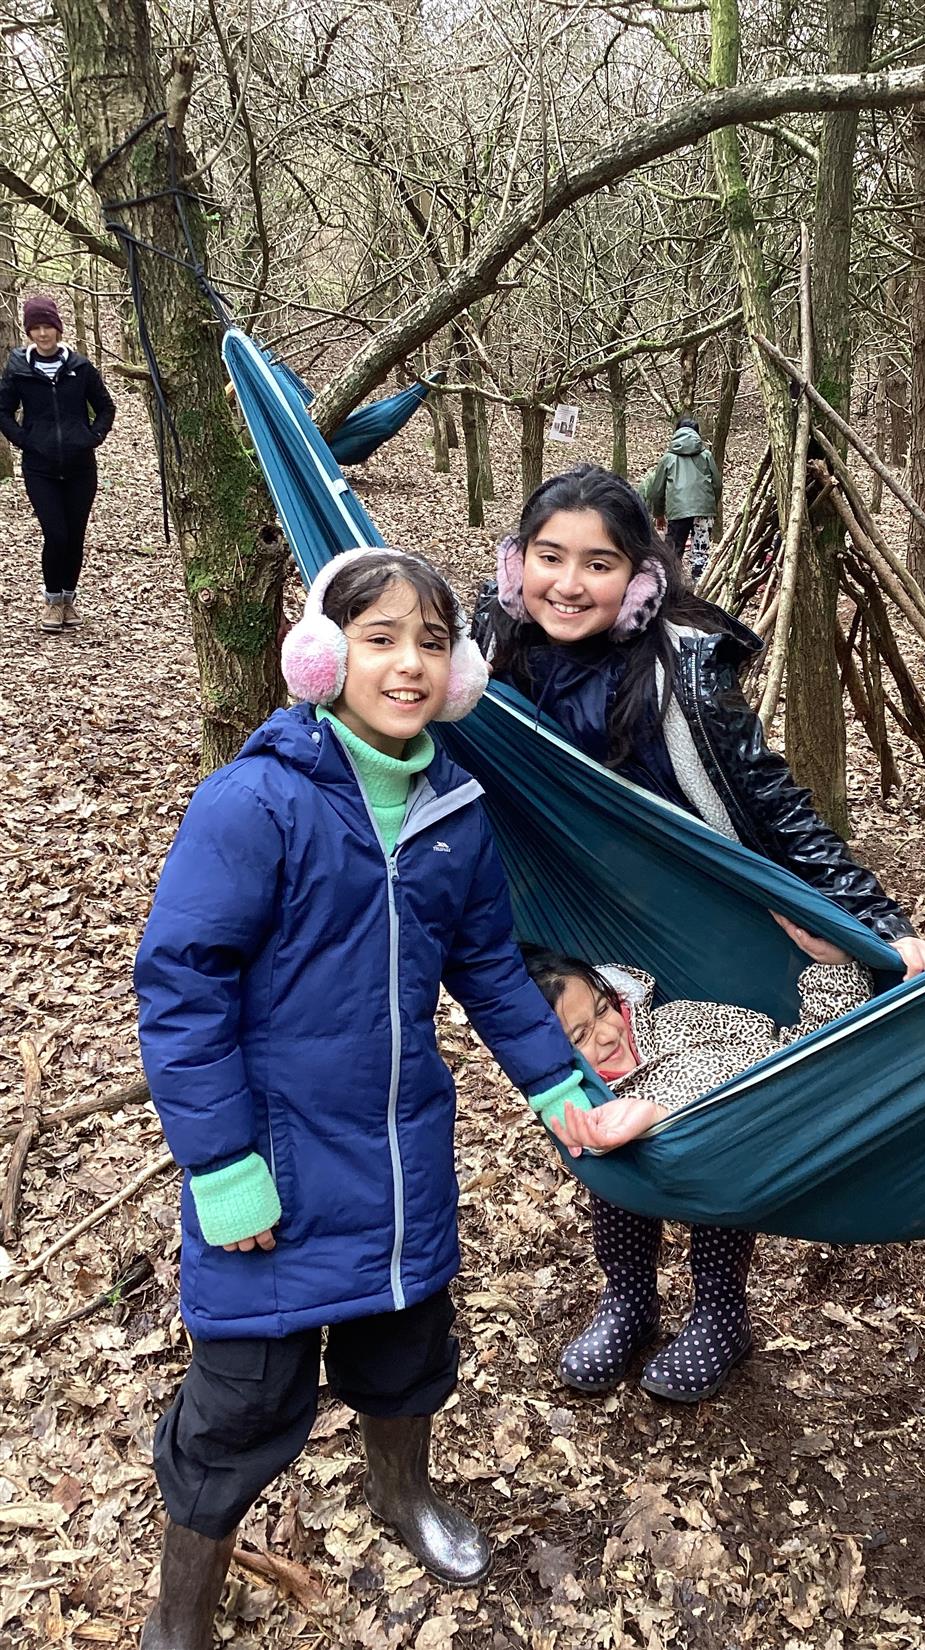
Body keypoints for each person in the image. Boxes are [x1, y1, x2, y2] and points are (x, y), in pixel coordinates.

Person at [133, 548, 590, 1645]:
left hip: (399, 1158)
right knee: (242, 1405)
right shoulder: (255, 802)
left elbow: (486, 972)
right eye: (380, 638)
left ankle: (401, 1494)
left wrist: (563, 1087)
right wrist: (221, 1168)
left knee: (406, 1352)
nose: (409, 663)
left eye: (433, 642)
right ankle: (179, 1611)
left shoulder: (456, 813)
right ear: (322, 656)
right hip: (272, 1170)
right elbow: (180, 989)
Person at [474, 464, 925, 1404]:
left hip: (702, 927)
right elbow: (386, 662)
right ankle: (626, 1299)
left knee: (713, 1112)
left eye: (598, 563)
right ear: (515, 563)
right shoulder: (480, 661)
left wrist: (881, 925)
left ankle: (720, 1309)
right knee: (599, 1108)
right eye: (548, 557)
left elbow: (779, 809)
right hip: (573, 932)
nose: (568, 584)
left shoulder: (682, 666)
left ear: (639, 576)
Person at [524, 946, 872, 1152]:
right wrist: (658, 1118)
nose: (606, 1035)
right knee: (622, 1237)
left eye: (603, 1009)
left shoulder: (679, 1019)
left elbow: (799, 1051)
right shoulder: (599, 1105)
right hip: (710, 1170)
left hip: (801, 1124)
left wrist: (835, 967)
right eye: (580, 1036)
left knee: (721, 1257)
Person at [0, 295, 114, 633]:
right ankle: (51, 603)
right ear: (29, 332)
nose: (42, 333)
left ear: (58, 328)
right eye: (35, 327)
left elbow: (106, 407)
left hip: (81, 465)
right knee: (56, 533)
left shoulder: (80, 368)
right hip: (40, 467)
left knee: (75, 535)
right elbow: (3, 411)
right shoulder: (18, 369)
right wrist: (24, 439)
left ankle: (68, 600)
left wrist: (92, 436)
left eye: (47, 326)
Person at [645, 415, 721, 583]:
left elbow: (656, 490)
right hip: (704, 510)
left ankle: (671, 584)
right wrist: (710, 506)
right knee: (700, 551)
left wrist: (658, 514)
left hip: (678, 511)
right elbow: (717, 484)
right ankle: (699, 586)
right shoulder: (706, 455)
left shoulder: (668, 458)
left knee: (673, 550)